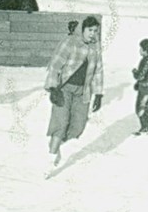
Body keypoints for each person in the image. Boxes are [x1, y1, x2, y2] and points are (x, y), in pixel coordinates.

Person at [44, 15, 104, 170]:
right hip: (64, 89)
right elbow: (55, 65)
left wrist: (98, 94)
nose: (93, 33)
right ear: (83, 29)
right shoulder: (70, 42)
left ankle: (55, 146)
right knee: (61, 123)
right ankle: (50, 160)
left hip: (83, 92)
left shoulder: (95, 47)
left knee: (78, 126)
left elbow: (98, 71)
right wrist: (52, 87)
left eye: (95, 31)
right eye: (90, 30)